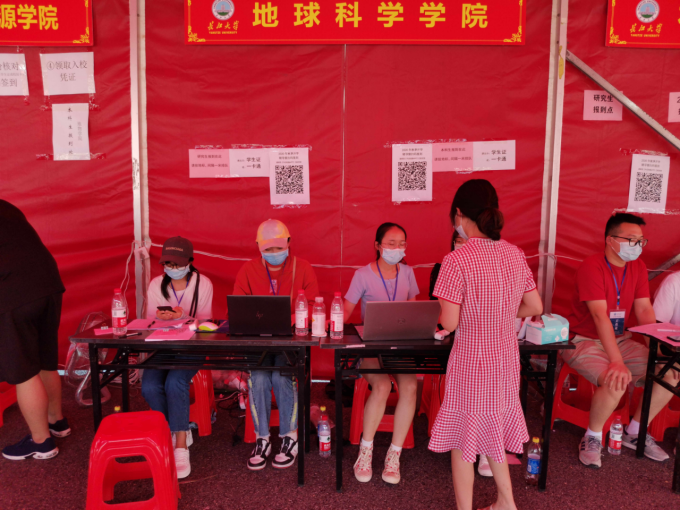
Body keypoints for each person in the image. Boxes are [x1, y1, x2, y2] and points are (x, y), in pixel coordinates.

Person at [429, 179, 543, 510]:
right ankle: (506, 502)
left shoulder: (456, 260)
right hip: (505, 359)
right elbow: (534, 305)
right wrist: (502, 312)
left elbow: (449, 323)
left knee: (462, 441)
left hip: (471, 361)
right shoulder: (514, 254)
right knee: (494, 430)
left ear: (459, 213)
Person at [564, 212, 679, 468]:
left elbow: (644, 310)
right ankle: (592, 436)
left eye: (641, 240)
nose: (637, 245)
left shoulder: (637, 267)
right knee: (616, 378)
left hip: (620, 339)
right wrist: (616, 361)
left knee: (669, 372)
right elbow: (599, 316)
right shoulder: (592, 266)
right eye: (631, 239)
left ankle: (635, 432)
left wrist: (655, 349)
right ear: (610, 240)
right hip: (583, 340)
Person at [232, 219, 319, 471]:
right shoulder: (248, 270)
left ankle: (289, 436)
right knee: (259, 377)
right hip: (258, 341)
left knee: (283, 376)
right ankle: (262, 438)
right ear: (258, 247)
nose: (273, 254)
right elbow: (238, 307)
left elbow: (314, 305)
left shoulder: (303, 268)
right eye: (267, 249)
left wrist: (291, 319)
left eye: (278, 248)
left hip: (290, 342)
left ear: (289, 243)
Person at [344, 222, 420, 485]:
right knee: (382, 385)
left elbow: (413, 311)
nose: (397, 248)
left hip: (401, 347)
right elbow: (345, 310)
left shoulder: (408, 273)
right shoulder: (362, 275)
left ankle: (394, 454)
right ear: (377, 246)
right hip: (372, 347)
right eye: (391, 243)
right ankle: (365, 451)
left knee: (410, 387)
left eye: (402, 244)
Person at [1, 200, 68, 461]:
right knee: (45, 361)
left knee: (23, 371)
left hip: (14, 293)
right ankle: (57, 421)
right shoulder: (5, 206)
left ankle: (41, 442)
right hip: (48, 285)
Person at [141, 236, 214, 479]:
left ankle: (181, 443)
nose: (172, 268)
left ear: (189, 262)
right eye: (168, 264)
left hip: (192, 346)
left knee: (175, 382)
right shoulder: (156, 284)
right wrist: (161, 319)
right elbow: (149, 322)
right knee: (149, 386)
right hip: (162, 346)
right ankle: (171, 430)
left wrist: (182, 317)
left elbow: (206, 323)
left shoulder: (203, 284)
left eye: (177, 264)